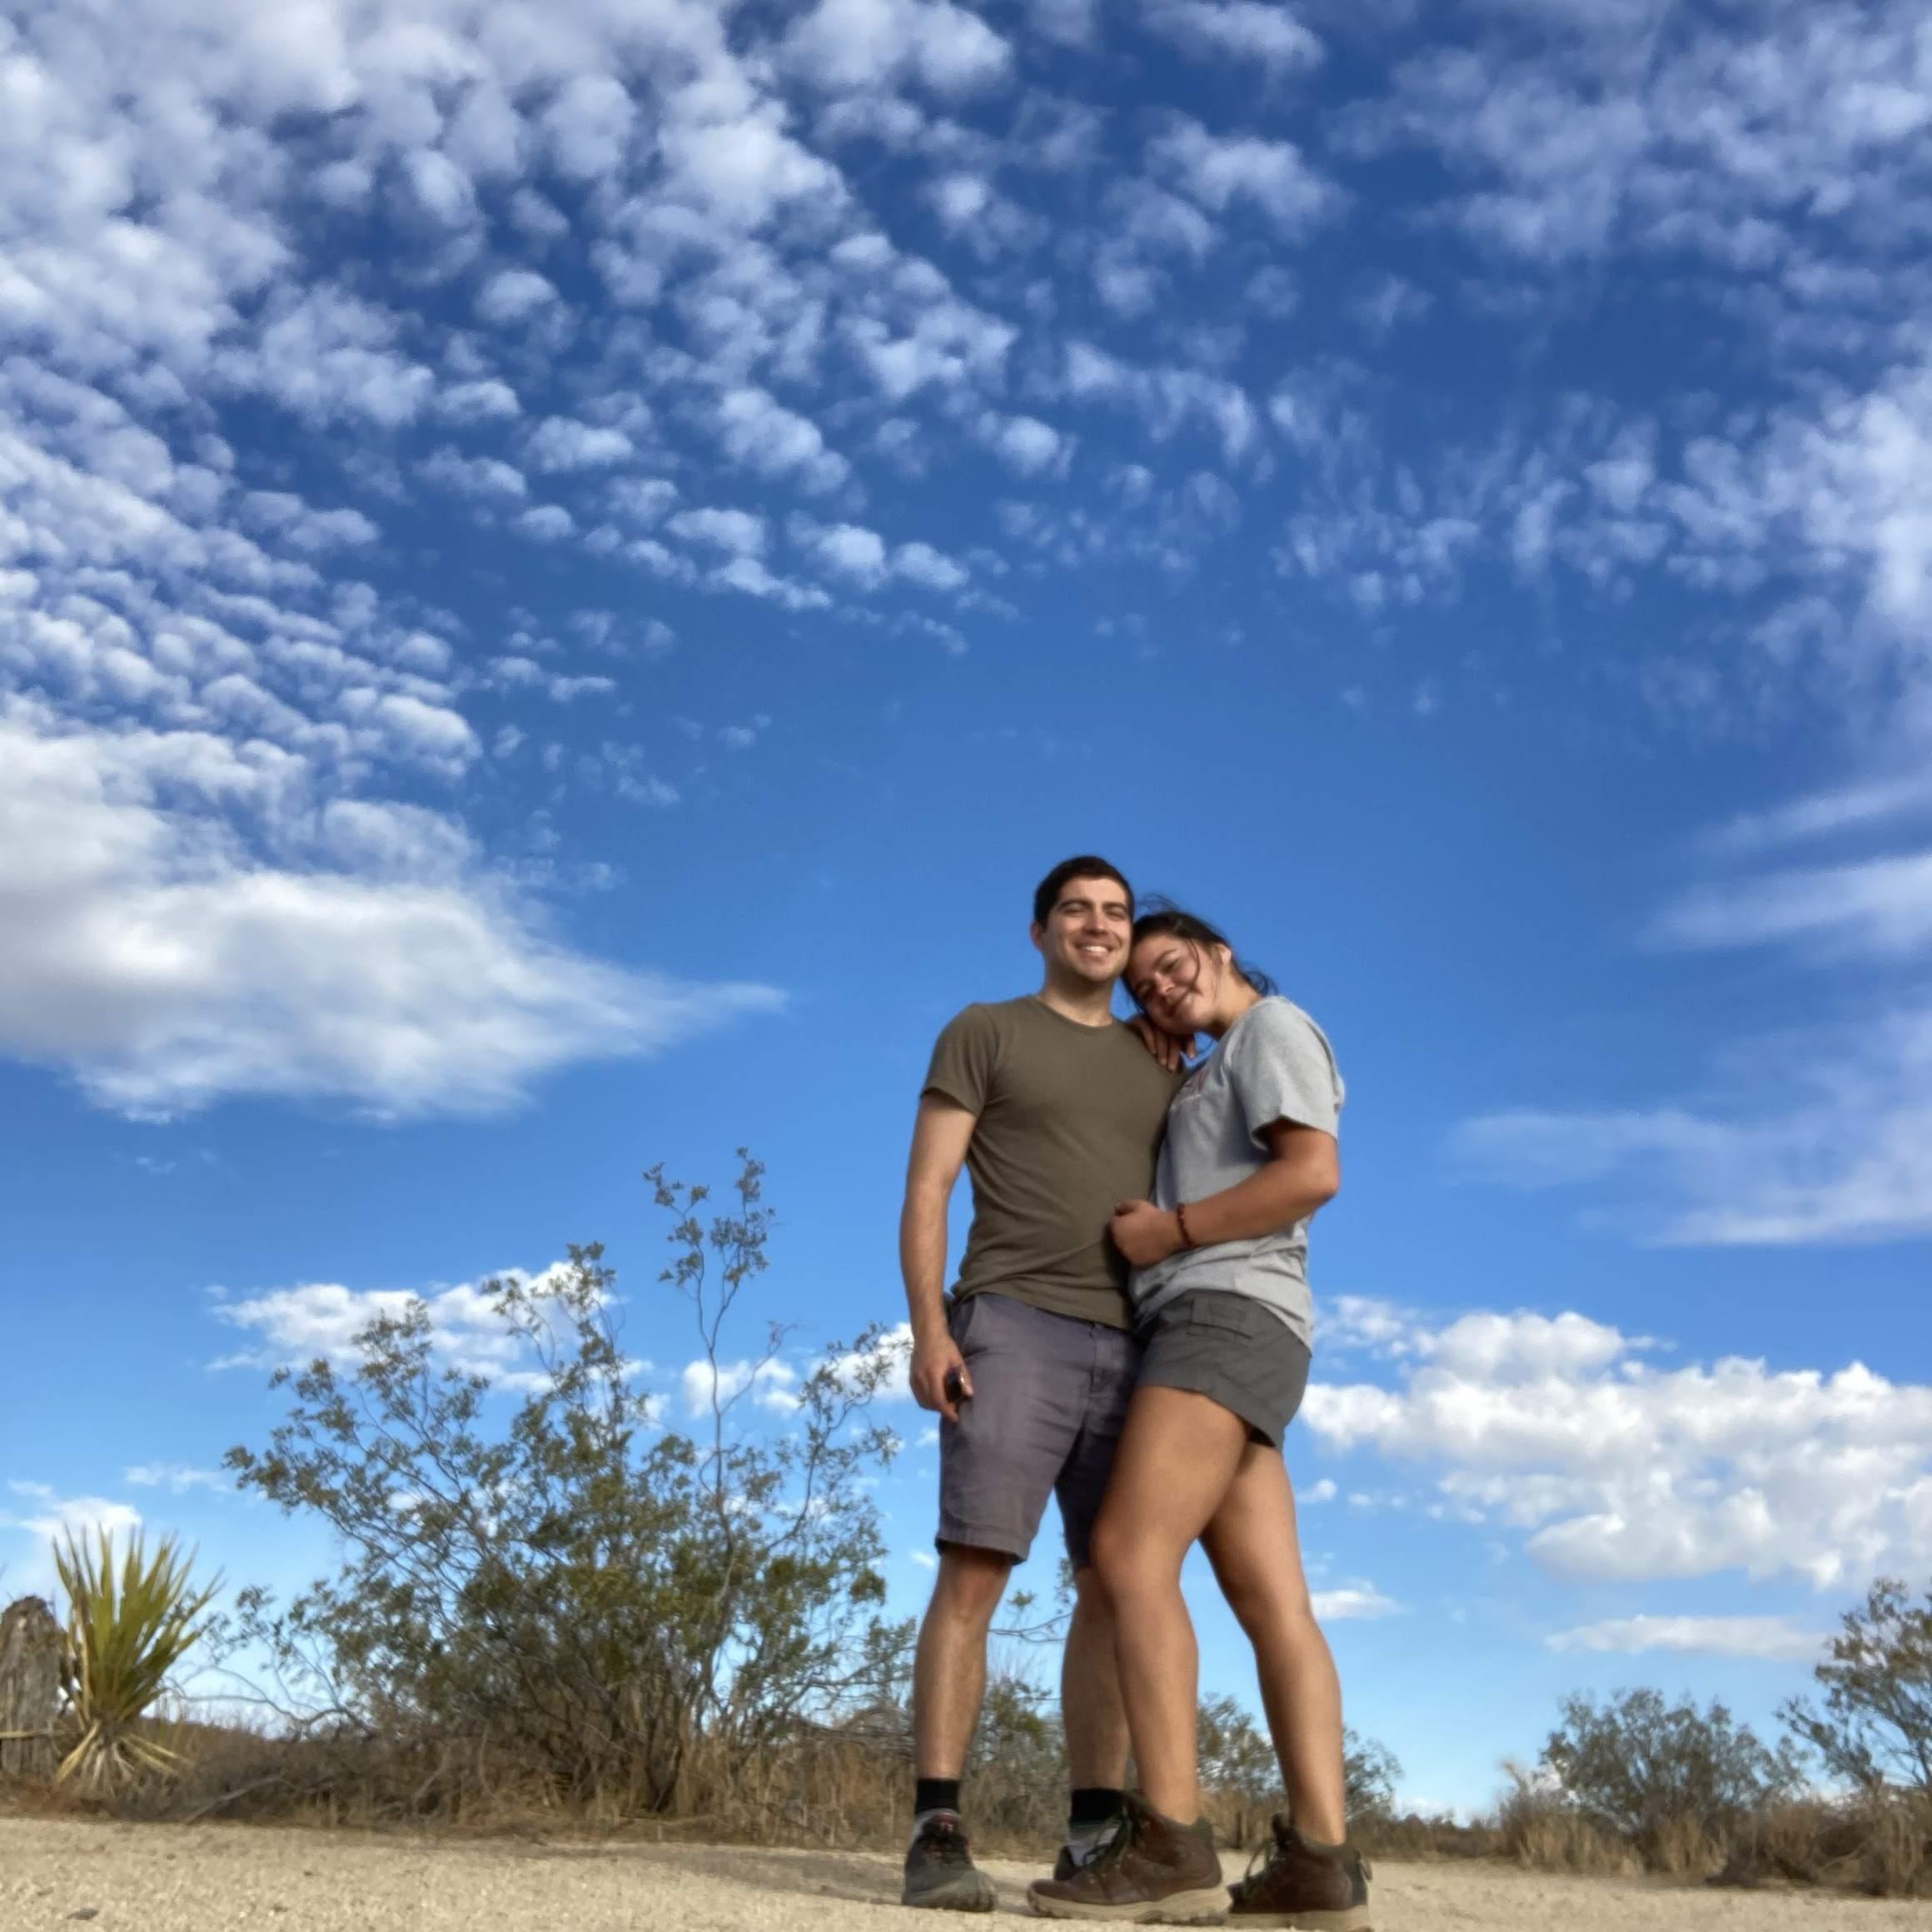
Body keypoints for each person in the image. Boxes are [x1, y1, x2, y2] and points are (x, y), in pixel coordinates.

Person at [1028, 904, 1372, 1930]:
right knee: (1272, 1601)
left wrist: (1169, 1232)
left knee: (1128, 1557)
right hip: (1243, 1325)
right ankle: (1320, 1863)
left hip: (1221, 1314)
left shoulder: (1273, 1028)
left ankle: (1171, 1842)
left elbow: (1312, 1171)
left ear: (1221, 952)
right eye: (1145, 986)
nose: (1162, 988)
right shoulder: (1217, 1064)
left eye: (1172, 966)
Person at [899, 858, 1185, 1911]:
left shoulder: (1165, 1056)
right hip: (1011, 1323)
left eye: (1116, 913)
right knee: (975, 1570)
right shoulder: (984, 1030)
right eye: (1078, 909)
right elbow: (928, 1185)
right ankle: (936, 1828)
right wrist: (931, 1329)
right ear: (1040, 932)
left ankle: (1094, 1836)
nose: (1099, 926)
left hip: (1143, 1345)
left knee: (1117, 1585)